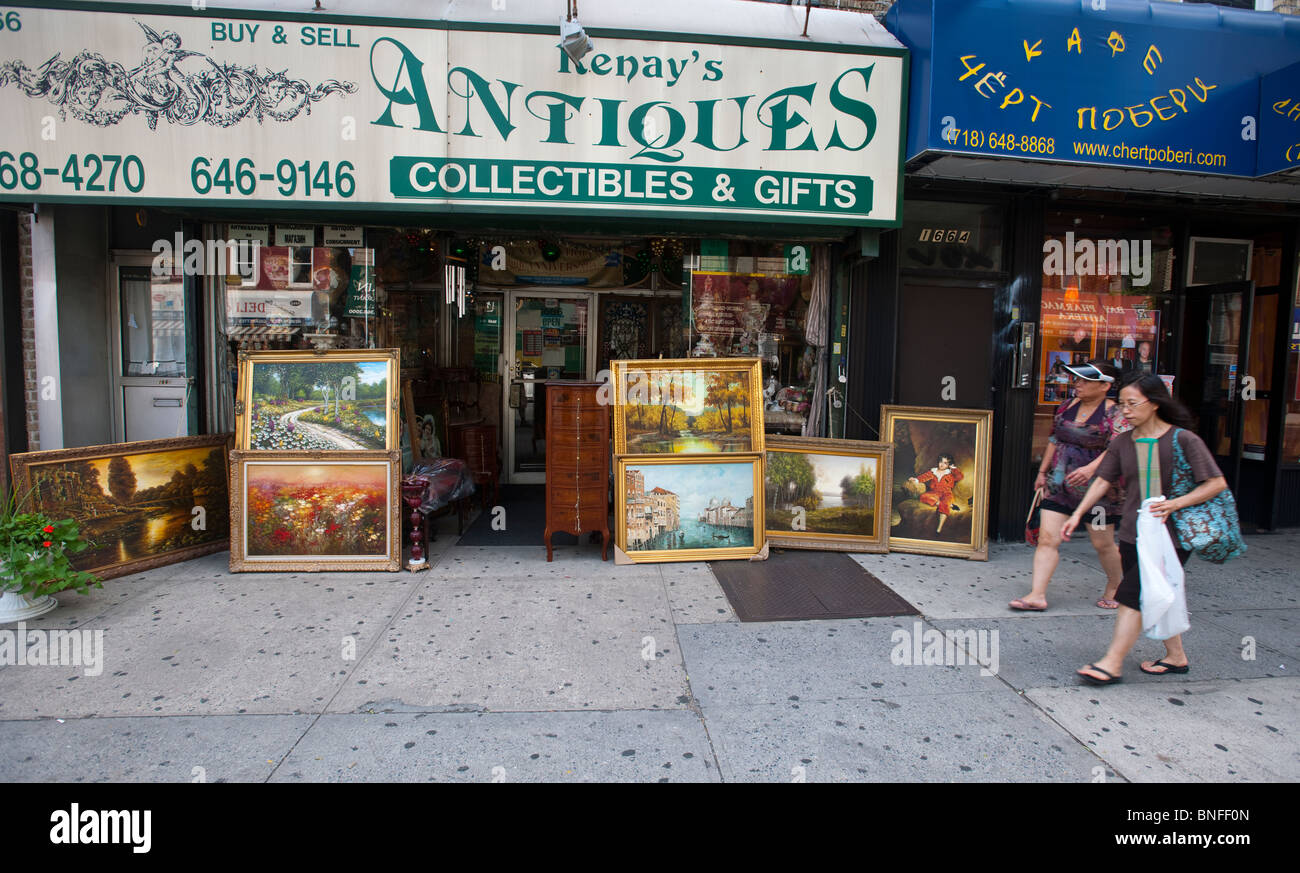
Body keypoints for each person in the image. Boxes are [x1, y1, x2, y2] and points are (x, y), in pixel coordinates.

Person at [1062, 374, 1228, 685]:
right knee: (1152, 592)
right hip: (1132, 533)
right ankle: (1176, 657)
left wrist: (1175, 504)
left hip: (1172, 536)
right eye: (1122, 404)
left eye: (1132, 403)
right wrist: (1078, 514)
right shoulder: (1124, 442)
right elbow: (1101, 480)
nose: (1124, 410)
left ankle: (1111, 663)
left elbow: (1216, 483)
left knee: (1132, 593)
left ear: (1153, 404)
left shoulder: (1183, 440)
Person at [1011, 362, 1127, 611]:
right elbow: (1055, 439)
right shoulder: (1066, 407)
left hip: (1099, 494)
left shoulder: (1115, 414)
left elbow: (1117, 448)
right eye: (1076, 379)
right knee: (1047, 539)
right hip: (1059, 486)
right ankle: (1037, 594)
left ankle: (1117, 585)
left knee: (1101, 543)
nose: (1078, 384)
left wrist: (1090, 469)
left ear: (1105, 386)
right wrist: (1042, 473)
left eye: (1085, 380)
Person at [909, 453, 963, 534]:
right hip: (935, 493)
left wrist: (954, 468)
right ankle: (949, 505)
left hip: (946, 493)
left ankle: (939, 528)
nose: (942, 464)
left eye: (945, 463)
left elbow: (959, 477)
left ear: (949, 465)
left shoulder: (950, 474)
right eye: (941, 461)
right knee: (923, 496)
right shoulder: (933, 471)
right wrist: (916, 479)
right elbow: (924, 477)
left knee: (945, 503)